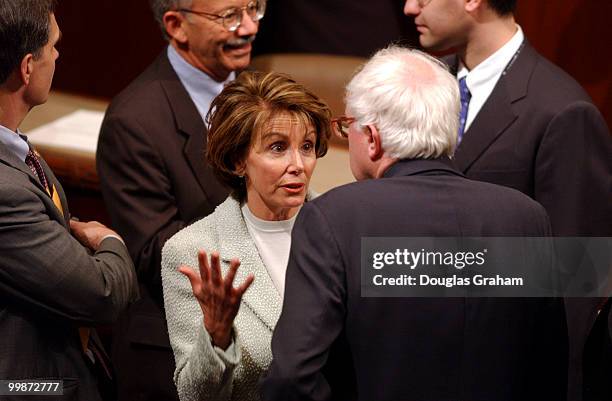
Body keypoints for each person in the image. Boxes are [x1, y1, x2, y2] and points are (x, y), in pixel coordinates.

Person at [260, 46, 568, 401]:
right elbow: (550, 369)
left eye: (348, 127)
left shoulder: (333, 218)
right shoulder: (527, 218)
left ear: (372, 139)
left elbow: (292, 379)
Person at [402, 1, 612, 399]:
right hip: (415, 361)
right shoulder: (423, 88)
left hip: (505, 372)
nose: (409, 7)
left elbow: (576, 275)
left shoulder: (564, 109)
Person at [96, 1, 265, 399]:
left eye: (254, 8)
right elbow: (162, 254)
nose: (249, 27)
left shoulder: (254, 88)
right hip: (175, 355)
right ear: (177, 25)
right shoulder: (134, 121)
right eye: (229, 16)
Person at [161, 71, 331, 401]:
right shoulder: (192, 251)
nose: (298, 164)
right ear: (239, 160)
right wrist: (216, 333)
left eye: (307, 147)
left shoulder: (342, 228)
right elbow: (195, 396)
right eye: (278, 148)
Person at [0, 1, 138, 400]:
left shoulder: (16, 152)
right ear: (27, 67)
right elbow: (102, 294)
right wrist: (110, 241)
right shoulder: (6, 193)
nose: (58, 55)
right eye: (53, 46)